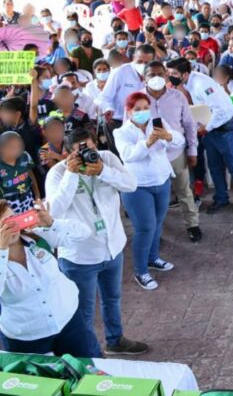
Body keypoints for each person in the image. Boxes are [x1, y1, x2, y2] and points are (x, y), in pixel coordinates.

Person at [46, 128, 148, 355]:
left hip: (113, 249)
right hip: (79, 257)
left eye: (90, 149)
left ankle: (115, 340)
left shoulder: (107, 159)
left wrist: (103, 171)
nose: (87, 156)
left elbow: (130, 184)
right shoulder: (57, 173)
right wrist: (72, 175)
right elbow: (54, 211)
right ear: (67, 154)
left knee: (112, 299)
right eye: (79, 152)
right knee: (83, 311)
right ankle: (89, 354)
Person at [0, 200, 102, 357]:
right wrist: (2, 250)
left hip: (69, 321)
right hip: (26, 338)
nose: (11, 229)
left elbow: (84, 233)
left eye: (13, 220)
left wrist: (52, 223)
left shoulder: (36, 237)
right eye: (4, 226)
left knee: (88, 370)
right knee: (39, 380)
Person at [113, 92, 185, 290]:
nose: (143, 112)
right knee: (145, 228)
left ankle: (153, 258)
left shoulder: (158, 123)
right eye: (137, 109)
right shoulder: (121, 132)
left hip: (161, 180)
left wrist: (169, 136)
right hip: (137, 186)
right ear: (128, 111)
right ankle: (141, 271)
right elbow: (128, 155)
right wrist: (147, 142)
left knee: (158, 222)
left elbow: (179, 141)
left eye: (146, 108)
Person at [166, 57, 233, 215]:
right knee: (214, 166)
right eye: (169, 73)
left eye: (174, 73)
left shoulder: (201, 84)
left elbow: (220, 111)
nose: (170, 76)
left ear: (185, 74)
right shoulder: (188, 83)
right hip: (210, 128)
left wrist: (205, 129)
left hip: (225, 127)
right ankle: (221, 198)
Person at [143, 62, 201, 243]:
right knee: (155, 195)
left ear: (167, 76)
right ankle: (155, 231)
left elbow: (190, 125)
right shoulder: (137, 99)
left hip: (176, 153)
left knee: (184, 191)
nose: (156, 77)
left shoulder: (177, 96)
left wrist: (193, 150)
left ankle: (193, 224)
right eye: (152, 74)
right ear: (144, 77)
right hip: (150, 156)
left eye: (160, 73)